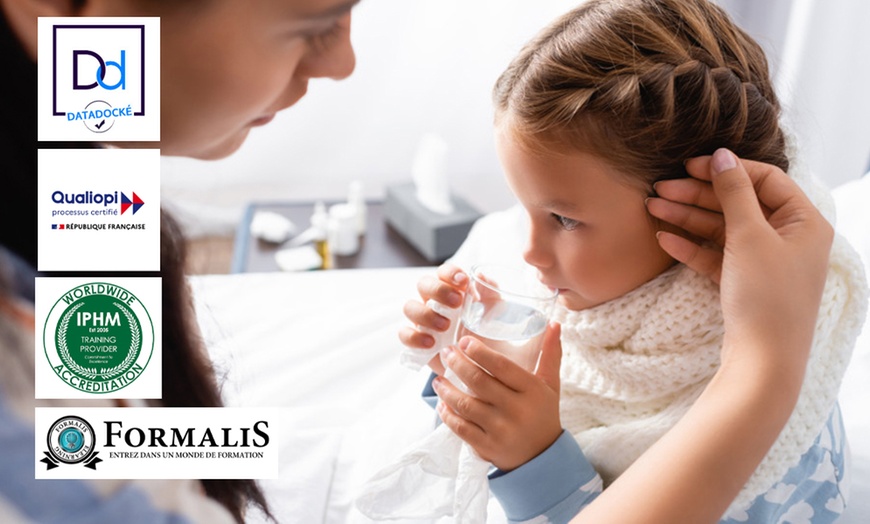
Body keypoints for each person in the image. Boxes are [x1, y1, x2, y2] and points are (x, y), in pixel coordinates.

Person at [398, 0, 867, 522]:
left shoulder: (767, 431)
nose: (527, 250)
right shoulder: (604, 311)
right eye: (522, 208)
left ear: (691, 211)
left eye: (563, 219)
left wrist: (534, 463)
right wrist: (464, 373)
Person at [0, 0, 357, 522]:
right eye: (318, 24)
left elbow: (105, 432)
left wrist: (256, 446)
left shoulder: (80, 153)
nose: (341, 63)